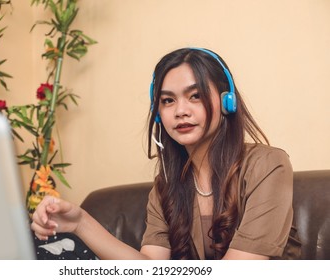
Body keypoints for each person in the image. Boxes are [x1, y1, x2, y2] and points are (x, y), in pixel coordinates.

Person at [31, 47, 294, 260]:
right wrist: (80, 223)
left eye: (195, 96)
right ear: (159, 113)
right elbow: (148, 269)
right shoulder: (167, 186)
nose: (180, 110)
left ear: (228, 101)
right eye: (168, 100)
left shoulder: (268, 165)